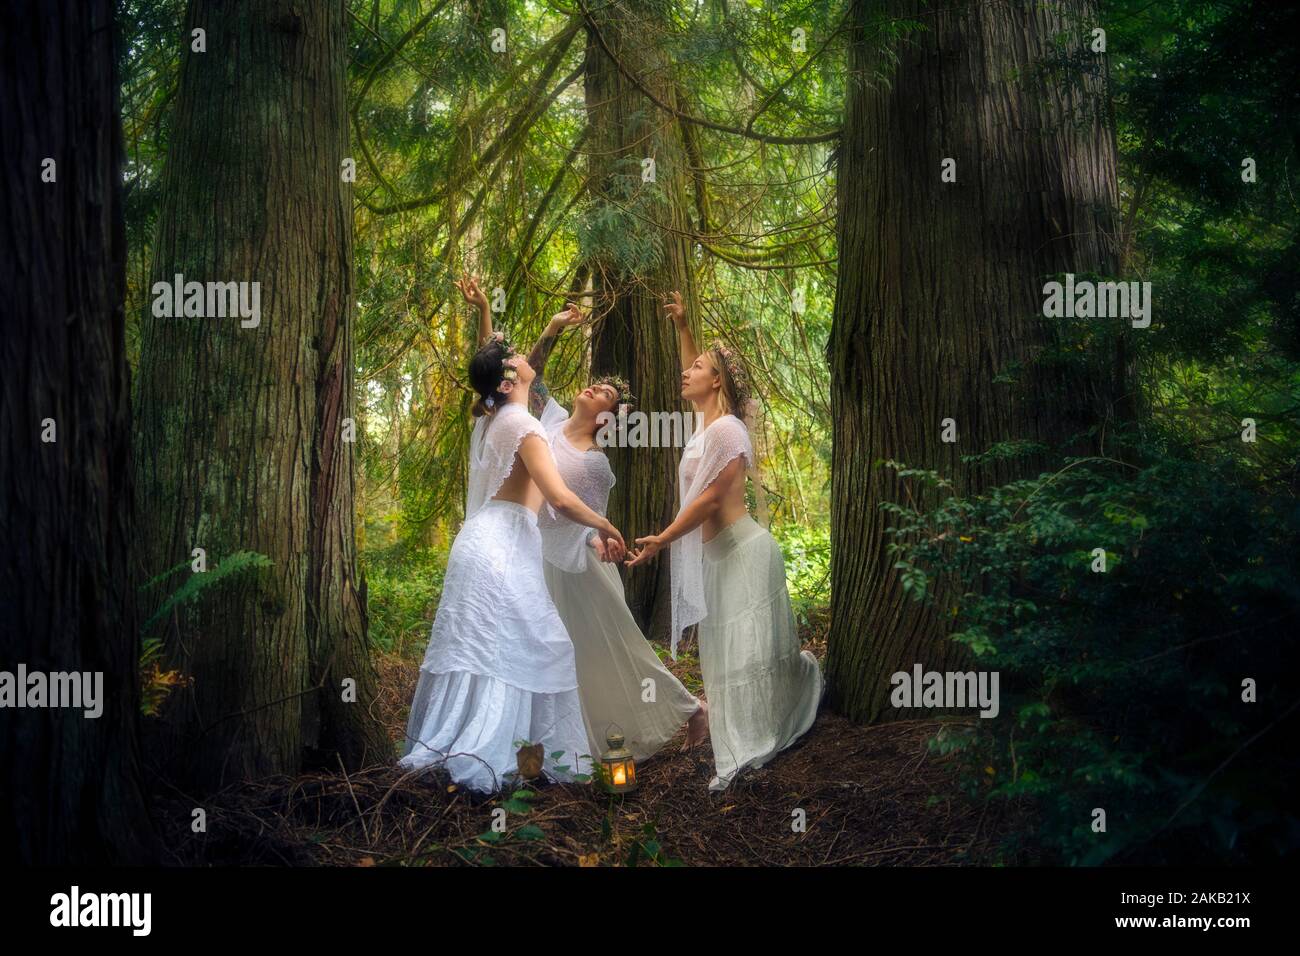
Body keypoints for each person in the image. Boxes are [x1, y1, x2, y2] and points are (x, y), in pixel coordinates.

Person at [397, 276, 626, 793]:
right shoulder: (524, 426)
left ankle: (502, 750)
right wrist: (607, 524)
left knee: (496, 645)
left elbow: (492, 365)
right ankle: (492, 754)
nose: (522, 357)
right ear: (507, 382)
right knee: (533, 643)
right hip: (501, 547)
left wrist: (484, 310)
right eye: (515, 359)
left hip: (483, 543)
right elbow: (560, 499)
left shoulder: (493, 416)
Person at [625, 291, 822, 791]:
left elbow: (711, 498)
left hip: (744, 552)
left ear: (717, 381)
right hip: (719, 558)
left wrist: (664, 538)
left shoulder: (729, 430)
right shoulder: (707, 427)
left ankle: (754, 738)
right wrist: (682, 327)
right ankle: (743, 726)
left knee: (746, 656)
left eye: (697, 368)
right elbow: (699, 368)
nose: (685, 371)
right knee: (728, 655)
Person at [522, 303, 709, 763]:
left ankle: (691, 709)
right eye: (596, 384)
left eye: (604, 393)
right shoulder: (550, 418)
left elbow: (591, 519)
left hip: (579, 569)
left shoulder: (595, 464)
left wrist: (601, 538)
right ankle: (556, 741)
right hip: (539, 559)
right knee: (554, 651)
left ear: (608, 418)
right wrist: (554, 327)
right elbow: (530, 374)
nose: (593, 388)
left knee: (617, 648)